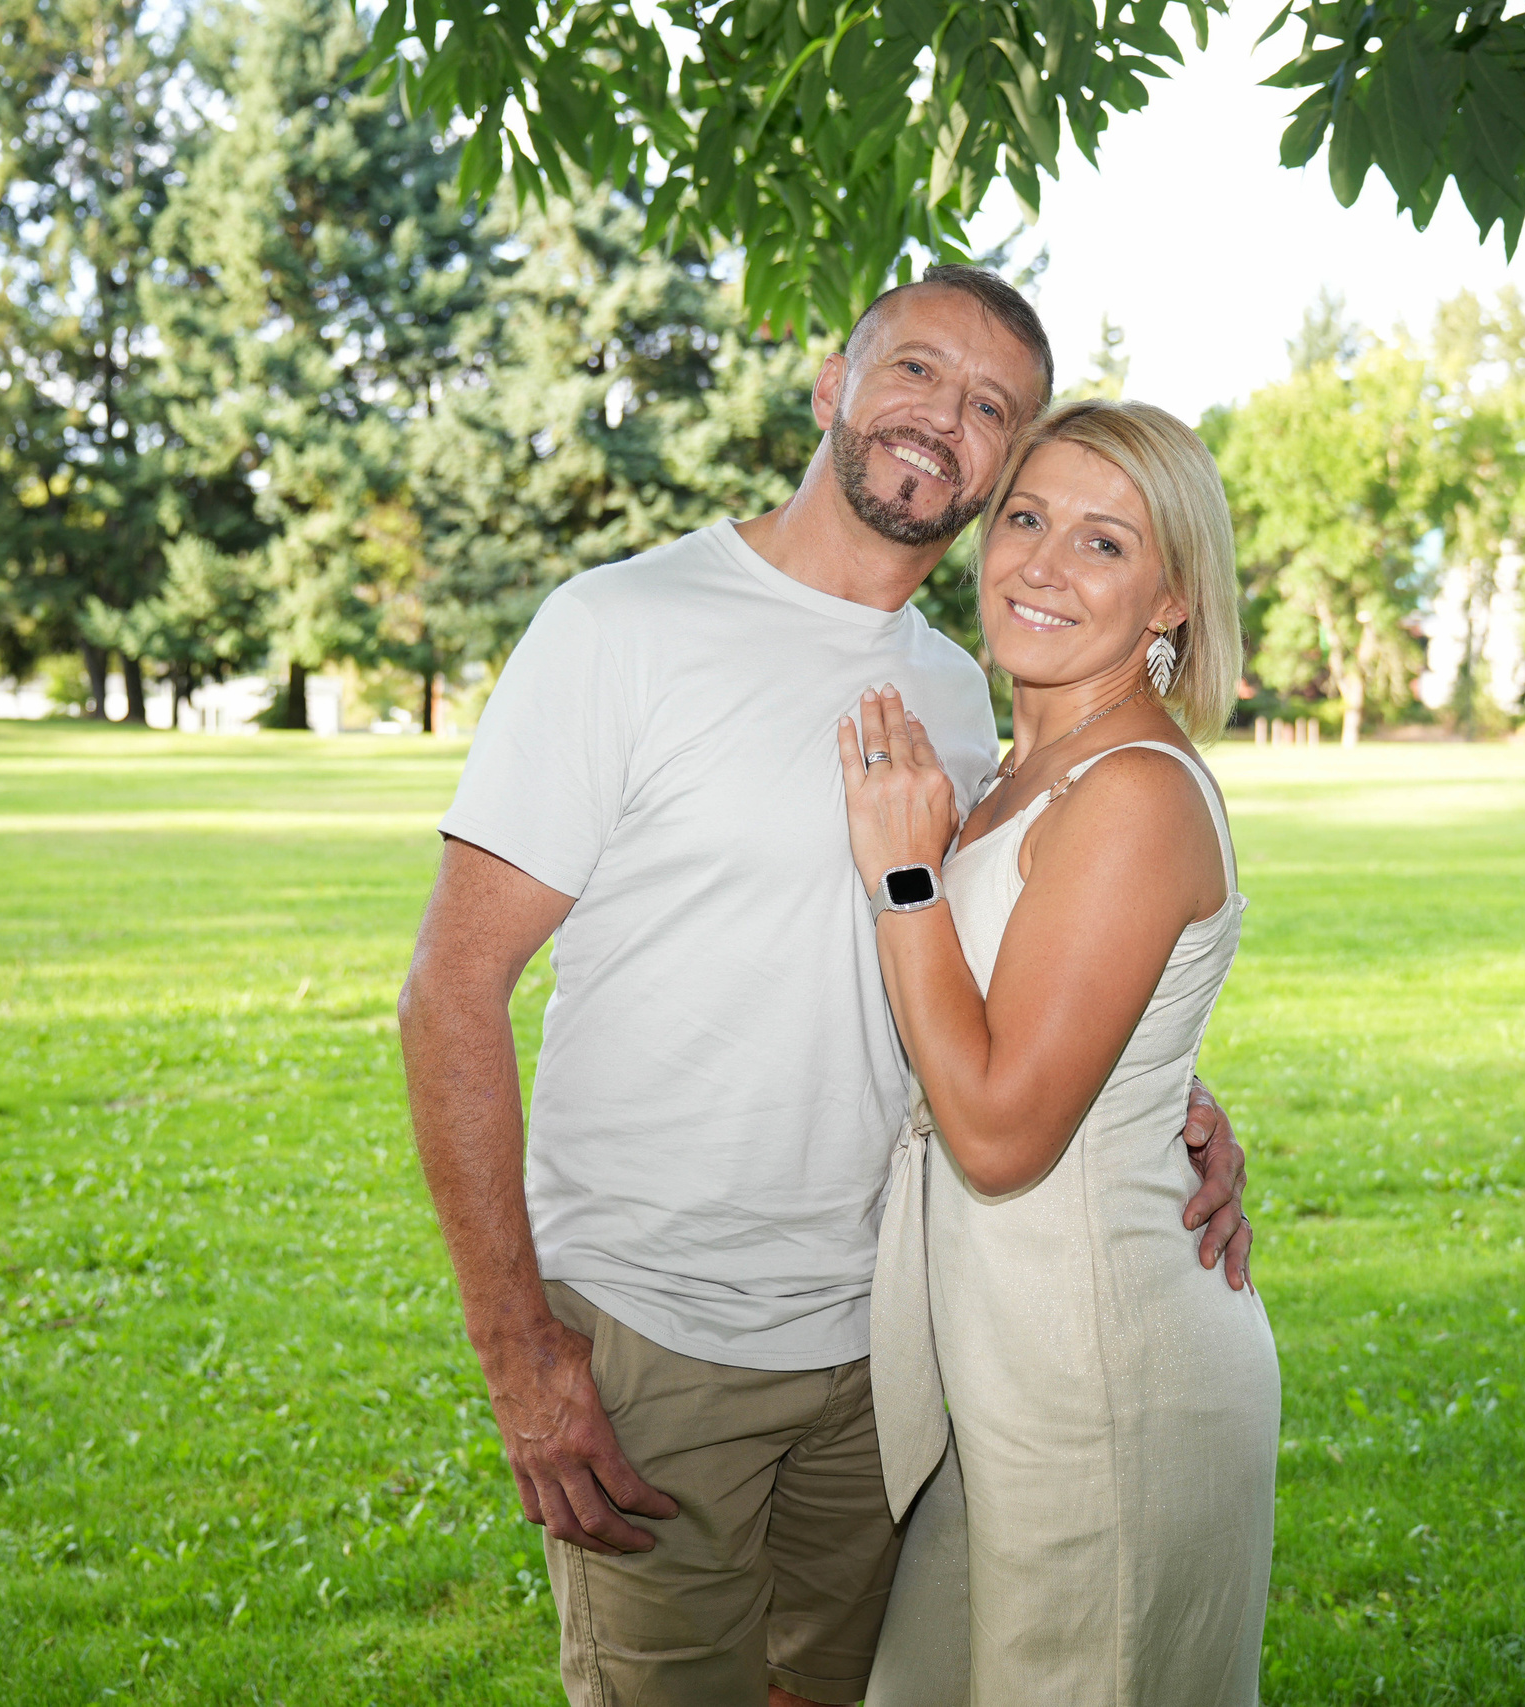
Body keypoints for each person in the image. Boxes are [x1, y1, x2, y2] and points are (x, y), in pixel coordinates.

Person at [397, 267, 1258, 1707]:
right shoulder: (623, 627)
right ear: (830, 389)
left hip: (891, 1341)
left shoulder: (965, 683)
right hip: (664, 1341)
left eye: (992, 408)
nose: (943, 421)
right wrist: (518, 1350)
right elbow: (448, 993)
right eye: (916, 371)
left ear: (1001, 465)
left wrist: (1162, 1093)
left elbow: (996, 964)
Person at [843, 400, 1281, 1705]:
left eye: (1103, 543)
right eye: (1028, 517)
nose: (1040, 561)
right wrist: (1170, 1091)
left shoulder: (1133, 790)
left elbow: (999, 1130)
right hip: (994, 1364)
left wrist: (904, 877)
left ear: (1169, 602)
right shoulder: (1019, 773)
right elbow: (1046, 1021)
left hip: (1102, 1379)